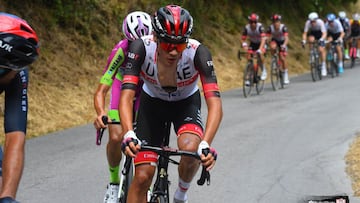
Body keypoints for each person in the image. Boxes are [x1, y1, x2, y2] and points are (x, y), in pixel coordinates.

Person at [119, 5, 222, 203]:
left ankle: (180, 195)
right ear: (156, 37)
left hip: (185, 104)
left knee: (191, 149)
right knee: (141, 177)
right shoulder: (140, 47)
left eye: (180, 45)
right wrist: (128, 133)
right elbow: (126, 96)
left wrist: (205, 144)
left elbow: (215, 104)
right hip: (152, 105)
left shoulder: (198, 53)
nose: (174, 52)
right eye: (168, 45)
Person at [93, 11, 152, 203]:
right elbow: (102, 89)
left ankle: (147, 185)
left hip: (144, 90)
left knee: (149, 141)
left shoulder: (155, 48)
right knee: (117, 136)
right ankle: (113, 182)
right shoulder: (120, 51)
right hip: (122, 88)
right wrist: (101, 113)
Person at [0, 13, 39, 203]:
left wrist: (7, 197)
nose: (18, 71)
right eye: (16, 65)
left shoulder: (18, 75)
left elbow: (15, 136)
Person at [241, 13, 267, 85]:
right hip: (253, 43)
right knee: (249, 57)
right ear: (249, 22)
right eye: (251, 22)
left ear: (257, 22)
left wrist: (260, 49)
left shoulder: (260, 27)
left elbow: (263, 39)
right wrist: (244, 45)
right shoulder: (247, 28)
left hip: (261, 43)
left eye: (255, 22)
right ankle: (249, 76)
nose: (253, 24)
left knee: (260, 54)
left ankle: (263, 70)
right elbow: (243, 39)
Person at [266, 14, 290, 84]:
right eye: (274, 22)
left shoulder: (283, 27)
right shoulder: (270, 28)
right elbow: (267, 37)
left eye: (277, 22)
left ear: (279, 22)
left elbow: (286, 38)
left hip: (282, 42)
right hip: (275, 41)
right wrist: (266, 43)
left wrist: (284, 45)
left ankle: (285, 73)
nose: (275, 23)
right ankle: (274, 59)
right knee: (272, 46)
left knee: (282, 58)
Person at [302, 12, 328, 76]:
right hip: (313, 33)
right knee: (310, 39)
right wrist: (303, 40)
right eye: (311, 22)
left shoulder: (320, 22)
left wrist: (322, 39)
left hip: (320, 34)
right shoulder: (308, 23)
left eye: (314, 21)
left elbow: (324, 33)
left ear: (316, 20)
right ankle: (312, 53)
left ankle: (323, 66)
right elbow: (305, 33)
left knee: (321, 50)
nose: (312, 23)